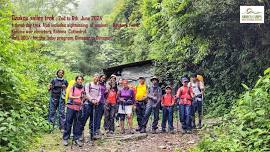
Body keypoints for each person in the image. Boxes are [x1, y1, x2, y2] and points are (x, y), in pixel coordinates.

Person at [63, 75, 84, 147]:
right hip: (71, 107)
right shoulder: (73, 87)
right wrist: (78, 97)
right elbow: (70, 96)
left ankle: (76, 139)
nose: (80, 81)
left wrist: (84, 98)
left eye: (81, 79)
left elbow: (84, 98)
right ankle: (65, 138)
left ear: (82, 81)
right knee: (68, 122)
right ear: (76, 80)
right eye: (78, 79)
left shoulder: (83, 88)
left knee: (77, 124)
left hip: (79, 108)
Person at [80, 74, 101, 141]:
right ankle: (80, 134)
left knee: (93, 120)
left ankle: (92, 134)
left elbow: (99, 95)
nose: (96, 78)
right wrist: (91, 100)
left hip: (95, 105)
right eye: (95, 77)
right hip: (87, 104)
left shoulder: (99, 86)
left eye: (98, 77)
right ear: (93, 77)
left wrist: (97, 100)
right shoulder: (88, 84)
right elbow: (87, 93)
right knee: (84, 119)